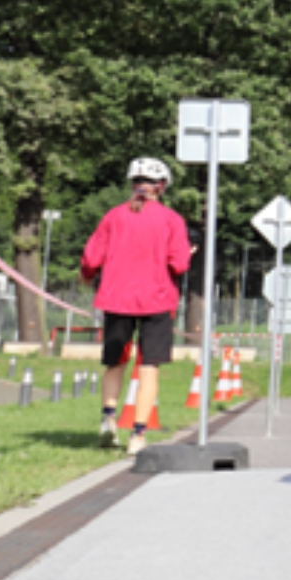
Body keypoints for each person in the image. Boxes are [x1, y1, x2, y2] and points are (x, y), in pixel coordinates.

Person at [79, 158, 191, 456]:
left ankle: (108, 417)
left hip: (116, 299)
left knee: (115, 362)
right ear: (162, 186)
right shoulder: (172, 220)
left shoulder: (113, 217)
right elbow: (179, 263)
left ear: (132, 183)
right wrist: (187, 255)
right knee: (148, 367)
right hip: (156, 300)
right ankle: (138, 435)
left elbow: (91, 259)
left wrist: (88, 277)